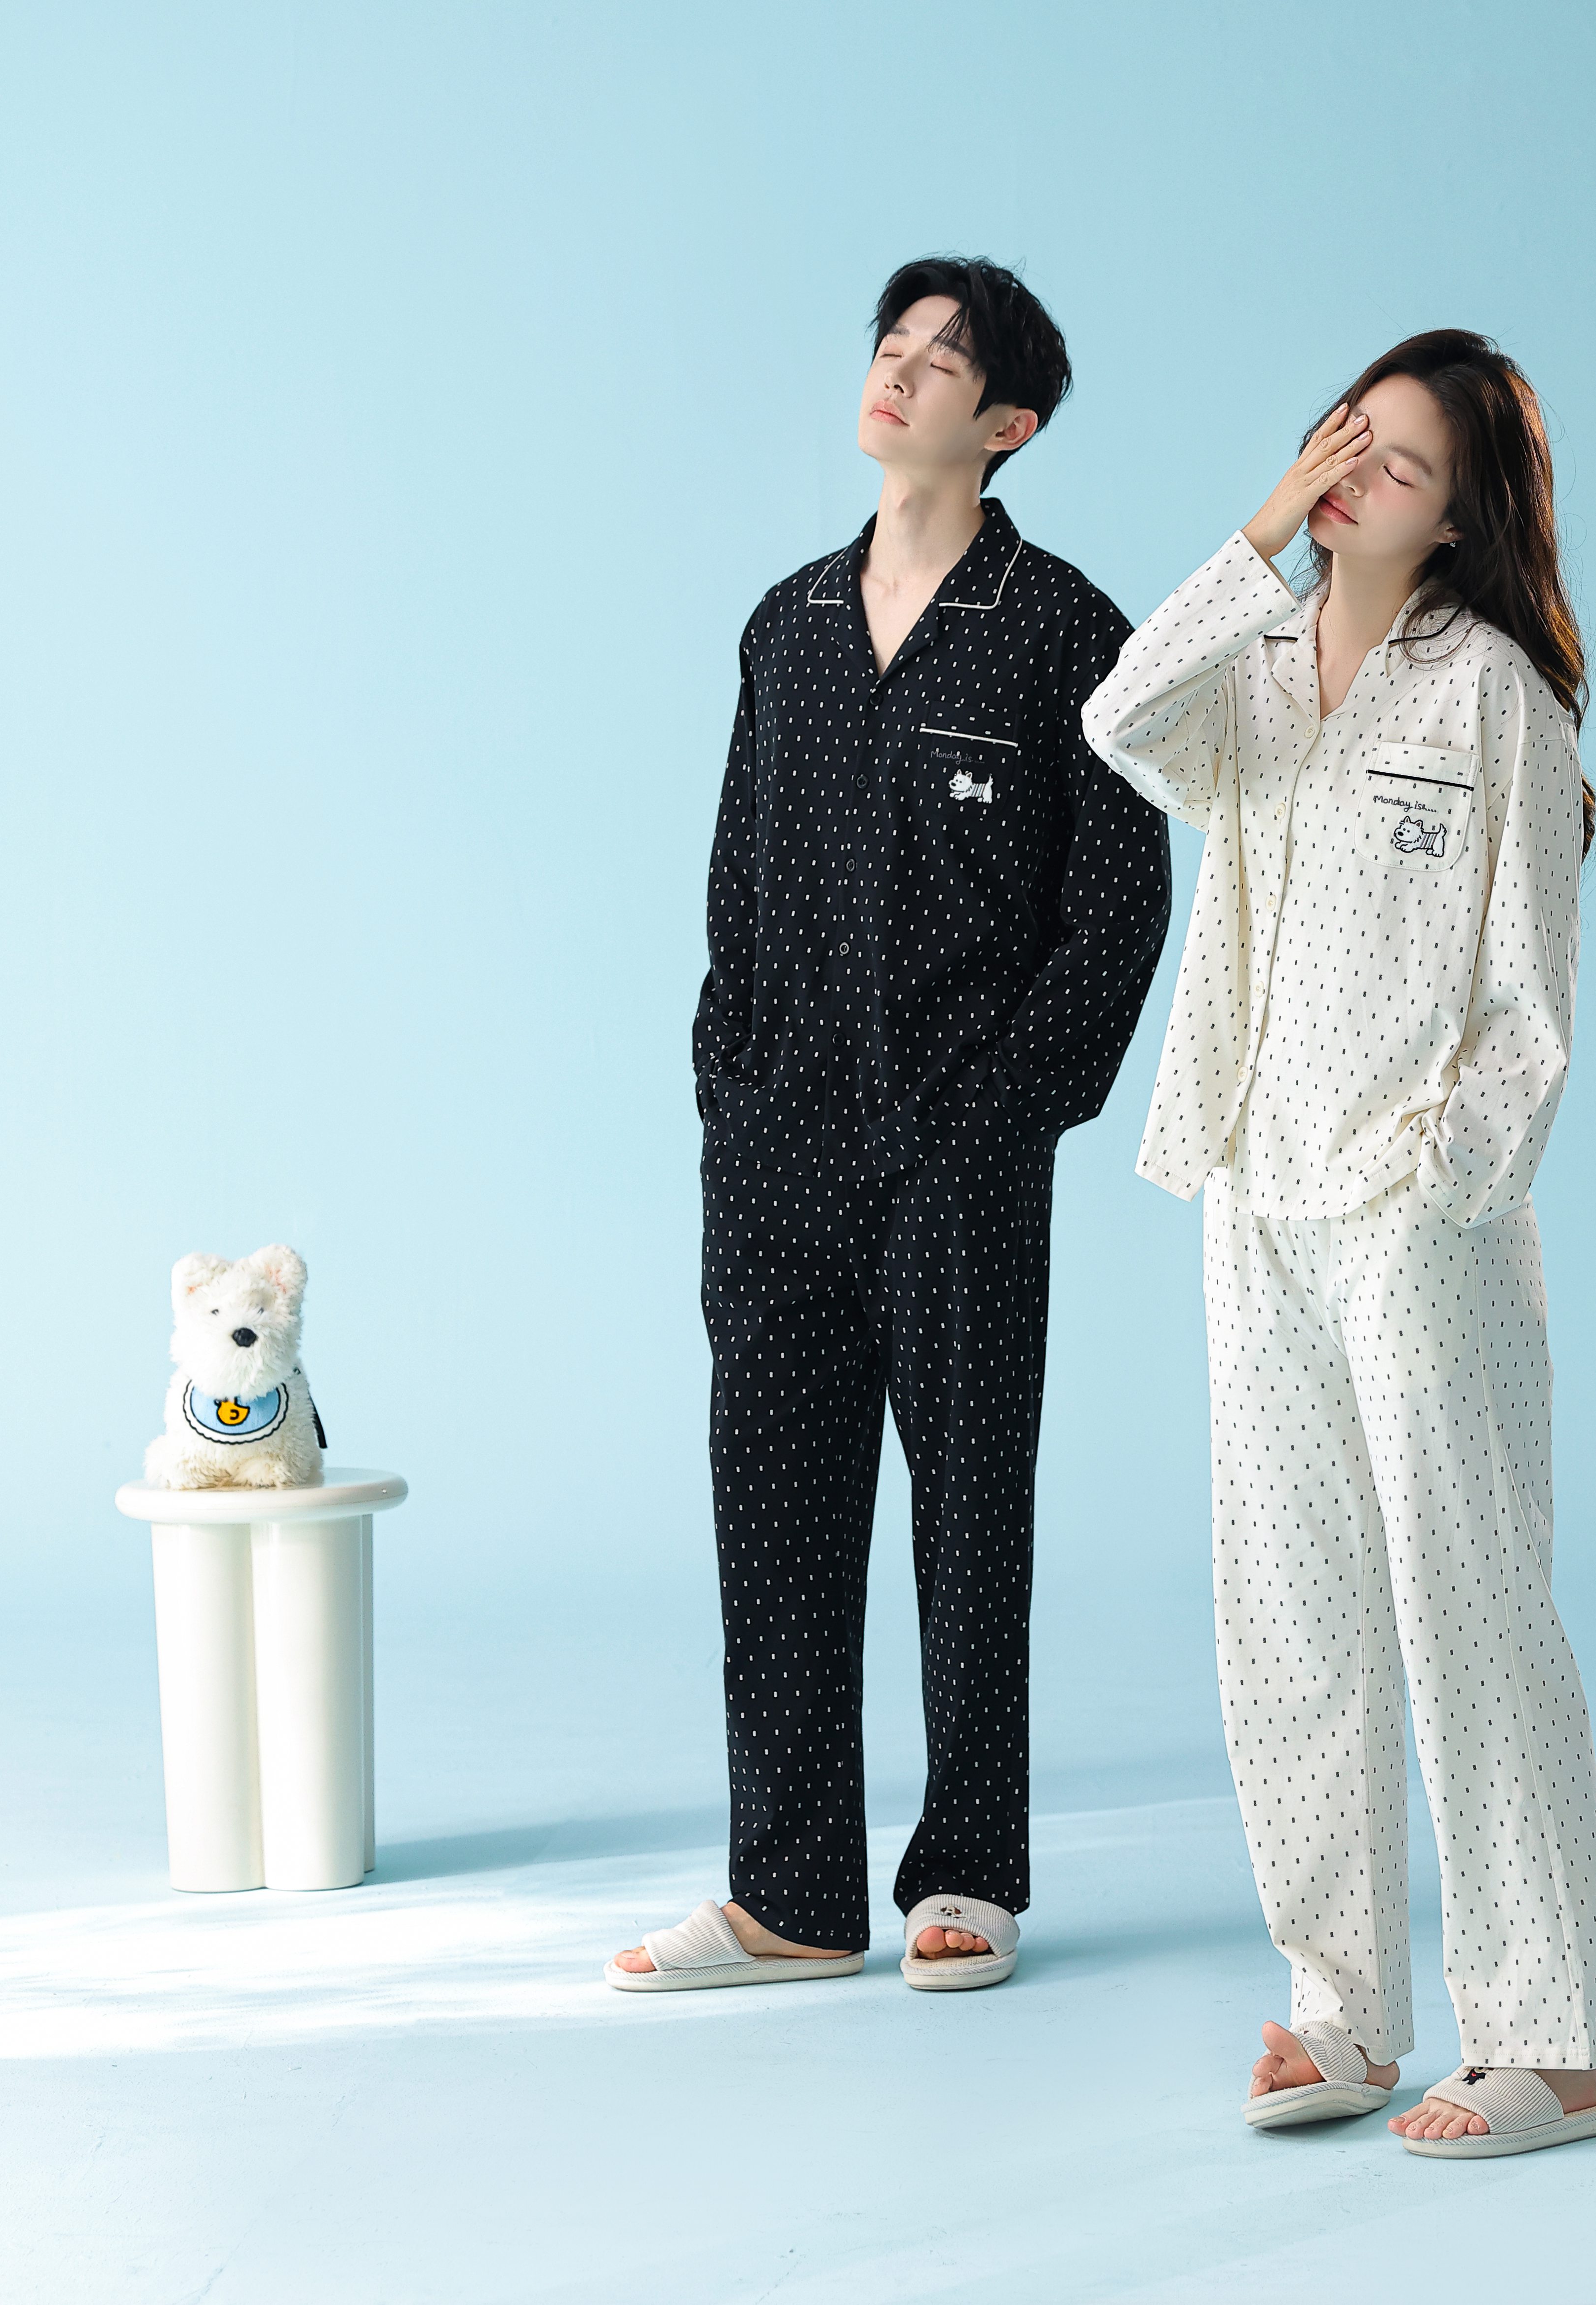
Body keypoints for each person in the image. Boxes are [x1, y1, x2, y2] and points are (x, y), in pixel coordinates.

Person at [1081, 331, 1596, 2156]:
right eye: (1342, 440)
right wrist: (1253, 535)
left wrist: (1440, 1178)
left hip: (1412, 1219)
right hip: (1253, 1193)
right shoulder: (1248, 674)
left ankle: (1550, 2042)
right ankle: (1342, 2009)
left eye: (1399, 462)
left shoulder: (1495, 697)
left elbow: (1527, 1000)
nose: (1355, 478)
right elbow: (1114, 719)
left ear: (1462, 513)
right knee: (1290, 1615)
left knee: (1467, 1608)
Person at [608, 257, 1170, 1996]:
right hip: (776, 1143)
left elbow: (1118, 909)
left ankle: (968, 1872)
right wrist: (728, 1082)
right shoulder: (785, 623)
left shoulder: (1067, 632)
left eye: (944, 360)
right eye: (892, 345)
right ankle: (787, 1894)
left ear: (1009, 426)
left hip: (961, 1151)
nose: (901, 373)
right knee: (771, 1507)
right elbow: (733, 883)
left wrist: (1004, 1115)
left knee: (969, 1511)